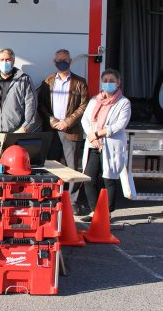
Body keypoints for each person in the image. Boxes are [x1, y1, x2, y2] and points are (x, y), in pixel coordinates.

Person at [38, 49, 89, 214]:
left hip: (70, 130)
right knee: (52, 165)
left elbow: (84, 105)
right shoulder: (48, 81)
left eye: (65, 60)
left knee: (72, 167)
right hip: (52, 130)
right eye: (59, 60)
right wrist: (52, 120)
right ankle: (52, 197)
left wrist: (68, 121)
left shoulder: (80, 82)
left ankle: (72, 201)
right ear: (54, 62)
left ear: (70, 61)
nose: (62, 62)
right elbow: (42, 105)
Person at [80, 69, 131, 222]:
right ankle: (95, 211)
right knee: (89, 178)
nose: (108, 83)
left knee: (109, 179)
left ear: (118, 83)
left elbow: (120, 125)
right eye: (105, 80)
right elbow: (85, 120)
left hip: (110, 143)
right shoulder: (95, 100)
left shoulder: (123, 102)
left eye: (111, 80)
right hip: (94, 144)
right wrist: (91, 136)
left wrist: (98, 134)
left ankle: (107, 213)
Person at [0, 48, 36, 159]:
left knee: (13, 169)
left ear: (13, 61)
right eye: (2, 60)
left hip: (15, 133)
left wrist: (26, 127)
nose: (5, 62)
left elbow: (31, 104)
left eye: (8, 59)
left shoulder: (24, 79)